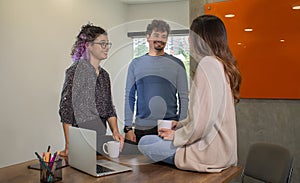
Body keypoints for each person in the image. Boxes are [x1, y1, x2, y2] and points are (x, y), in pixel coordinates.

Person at [138, 15, 242, 172]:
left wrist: (176, 136)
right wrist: (179, 125)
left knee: (146, 142)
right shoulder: (221, 65)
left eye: (191, 36)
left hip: (208, 154)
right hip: (223, 153)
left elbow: (203, 123)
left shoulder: (208, 64)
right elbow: (208, 115)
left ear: (199, 39)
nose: (188, 40)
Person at [59, 23, 124, 157]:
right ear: (88, 45)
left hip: (99, 140)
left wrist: (116, 132)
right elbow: (66, 110)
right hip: (81, 141)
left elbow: (109, 108)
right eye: (102, 44)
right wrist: (68, 146)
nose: (106, 48)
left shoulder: (104, 75)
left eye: (107, 44)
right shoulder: (75, 72)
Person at [124, 19, 189, 144]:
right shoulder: (135, 64)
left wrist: (181, 126)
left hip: (169, 127)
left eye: (164, 36)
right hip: (142, 128)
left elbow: (184, 98)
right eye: (156, 35)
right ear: (147, 37)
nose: (160, 39)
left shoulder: (177, 64)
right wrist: (128, 127)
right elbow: (129, 97)